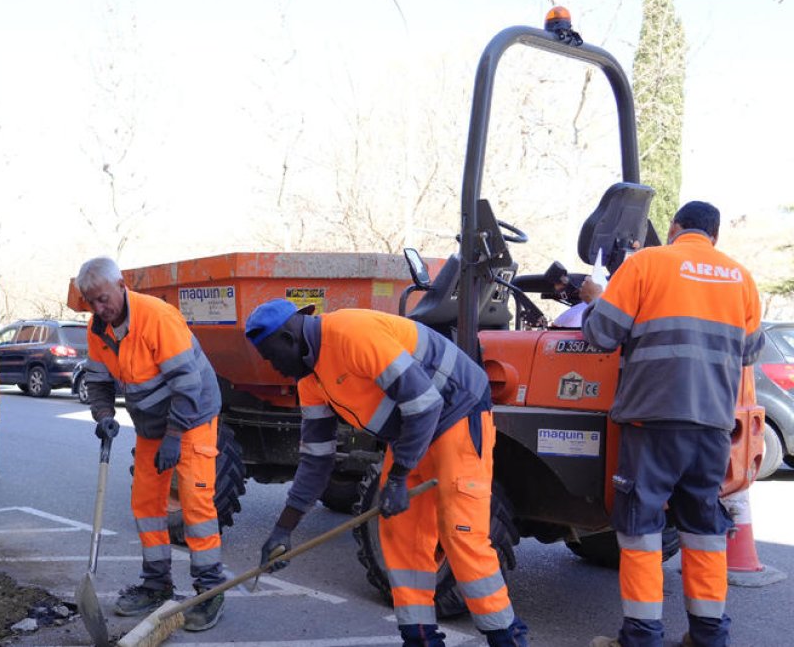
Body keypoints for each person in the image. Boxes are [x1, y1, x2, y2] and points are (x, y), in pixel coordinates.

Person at [244, 299, 530, 647]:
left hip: (457, 411)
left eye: (271, 356)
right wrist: (282, 531)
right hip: (412, 429)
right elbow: (316, 460)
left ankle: (506, 638)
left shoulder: (352, 334)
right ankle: (420, 637)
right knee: (399, 533)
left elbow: (425, 403)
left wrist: (397, 478)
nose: (272, 366)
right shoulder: (311, 381)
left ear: (289, 338)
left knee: (461, 532)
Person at [581, 201, 764, 647]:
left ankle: (641, 637)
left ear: (674, 227)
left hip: (653, 421)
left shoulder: (647, 263)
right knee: (703, 530)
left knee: (641, 529)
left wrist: (593, 300)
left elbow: (601, 335)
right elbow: (750, 352)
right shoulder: (740, 277)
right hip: (712, 427)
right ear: (714, 237)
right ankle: (707, 635)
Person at [75, 256, 228, 631]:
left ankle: (210, 590)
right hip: (150, 424)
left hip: (191, 419)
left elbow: (187, 385)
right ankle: (156, 584)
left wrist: (175, 437)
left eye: (103, 298)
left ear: (121, 285)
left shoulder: (157, 318)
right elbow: (98, 383)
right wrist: (104, 417)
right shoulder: (98, 331)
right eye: (91, 302)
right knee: (146, 502)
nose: (99, 308)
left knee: (195, 504)